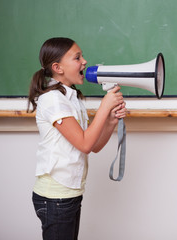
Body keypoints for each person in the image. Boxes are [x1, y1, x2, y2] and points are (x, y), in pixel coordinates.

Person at [27, 37, 126, 240]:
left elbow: (93, 145)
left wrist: (110, 122)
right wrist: (104, 107)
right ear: (58, 67)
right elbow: (84, 143)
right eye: (77, 57)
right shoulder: (53, 100)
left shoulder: (72, 98)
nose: (84, 61)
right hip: (55, 197)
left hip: (69, 194)